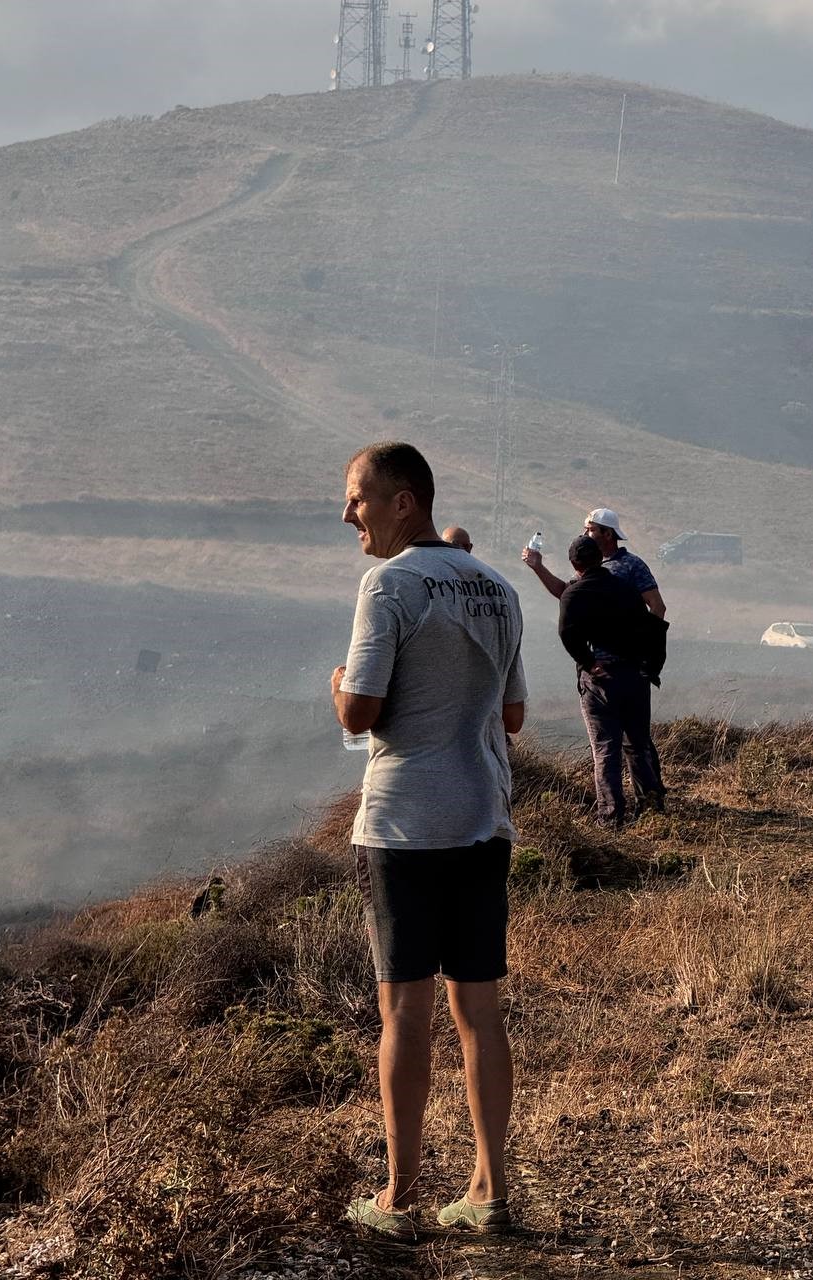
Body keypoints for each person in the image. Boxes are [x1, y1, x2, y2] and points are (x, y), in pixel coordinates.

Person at [332, 442, 527, 1240]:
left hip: (407, 822)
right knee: (479, 1011)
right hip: (484, 815)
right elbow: (511, 718)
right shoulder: (499, 586)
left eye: (358, 498)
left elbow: (361, 713)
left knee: (404, 1014)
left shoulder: (389, 583)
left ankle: (400, 1198)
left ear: (404, 501)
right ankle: (488, 1189)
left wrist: (338, 688)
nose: (349, 514)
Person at [522, 506, 667, 810]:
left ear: (607, 533)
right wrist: (538, 568)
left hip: (614, 668)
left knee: (620, 745)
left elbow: (657, 607)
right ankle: (650, 806)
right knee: (632, 741)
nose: (584, 532)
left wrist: (643, 652)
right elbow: (568, 592)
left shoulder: (630, 567)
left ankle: (622, 809)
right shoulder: (598, 574)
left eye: (589, 529)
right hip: (623, 670)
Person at [557, 536, 661, 827]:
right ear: (600, 559)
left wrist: (590, 663)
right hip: (633, 675)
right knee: (638, 744)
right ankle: (651, 808)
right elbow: (647, 623)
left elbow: (567, 634)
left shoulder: (575, 593)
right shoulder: (625, 589)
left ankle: (612, 817)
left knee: (605, 749)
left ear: (575, 565)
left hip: (600, 680)